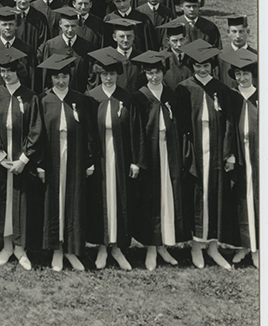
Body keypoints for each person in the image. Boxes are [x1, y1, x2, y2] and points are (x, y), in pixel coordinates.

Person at [177, 40, 235, 270]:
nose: (202, 70)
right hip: (195, 153)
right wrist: (186, 154)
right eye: (198, 66)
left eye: (206, 66)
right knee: (196, 196)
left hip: (216, 152)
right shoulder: (184, 88)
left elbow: (229, 123)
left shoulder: (221, 89)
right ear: (192, 66)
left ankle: (212, 245)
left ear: (212, 67)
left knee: (215, 195)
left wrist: (229, 154)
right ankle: (195, 245)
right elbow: (180, 125)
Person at [37, 54, 97, 272]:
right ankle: (56, 251)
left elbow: (89, 132)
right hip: (53, 159)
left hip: (75, 159)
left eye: (64, 77)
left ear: (70, 78)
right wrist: (41, 164)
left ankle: (72, 251)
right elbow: (39, 135)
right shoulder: (44, 101)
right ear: (51, 79)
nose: (60, 81)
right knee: (54, 203)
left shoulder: (80, 100)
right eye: (56, 78)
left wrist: (89, 160)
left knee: (73, 203)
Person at [85, 47, 143, 271]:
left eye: (111, 74)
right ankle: (101, 246)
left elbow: (136, 132)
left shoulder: (127, 98)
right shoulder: (91, 97)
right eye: (104, 74)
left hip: (120, 159)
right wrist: (89, 160)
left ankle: (117, 247)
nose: (108, 78)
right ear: (99, 75)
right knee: (100, 199)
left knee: (120, 200)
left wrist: (136, 161)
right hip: (100, 160)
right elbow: (88, 133)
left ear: (117, 75)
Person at [131, 50, 189, 270]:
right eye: (149, 73)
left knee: (168, 197)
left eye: (157, 72)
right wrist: (139, 159)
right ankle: (151, 249)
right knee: (152, 200)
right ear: (145, 74)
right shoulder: (140, 97)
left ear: (163, 73)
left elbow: (181, 127)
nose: (153, 77)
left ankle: (164, 244)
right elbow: (136, 132)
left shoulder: (172, 95)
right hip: (151, 157)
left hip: (170, 154)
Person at [0, 46, 42, 270]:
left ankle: (20, 248)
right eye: (2, 71)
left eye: (10, 71)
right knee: (4, 203)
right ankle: (6, 246)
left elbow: (35, 130)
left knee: (21, 203)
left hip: (21, 161)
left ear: (18, 71)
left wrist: (23, 159)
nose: (6, 75)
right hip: (2, 160)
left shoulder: (30, 97)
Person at [221, 48, 258, 267]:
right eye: (238, 74)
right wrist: (230, 154)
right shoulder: (232, 97)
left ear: (253, 75)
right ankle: (245, 246)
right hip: (240, 156)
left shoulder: (260, 95)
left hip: (258, 157)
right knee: (243, 199)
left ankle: (259, 248)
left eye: (246, 74)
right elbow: (227, 127)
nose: (242, 78)